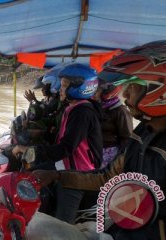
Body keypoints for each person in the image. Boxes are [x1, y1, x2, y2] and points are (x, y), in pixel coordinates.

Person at [32, 40, 166, 240]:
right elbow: (106, 176)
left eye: (134, 86)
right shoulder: (141, 134)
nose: (125, 94)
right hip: (124, 227)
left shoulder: (88, 112)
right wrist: (58, 176)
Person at [13, 63, 103, 223]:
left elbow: (66, 148)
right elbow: (61, 136)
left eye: (64, 86)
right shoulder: (73, 107)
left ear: (79, 88)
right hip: (67, 164)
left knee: (61, 223)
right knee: (30, 175)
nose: (59, 89)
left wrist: (31, 150)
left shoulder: (82, 112)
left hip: (79, 173)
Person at [92, 79, 133, 167]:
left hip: (110, 154)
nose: (94, 93)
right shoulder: (98, 106)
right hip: (96, 149)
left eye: (98, 90)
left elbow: (127, 137)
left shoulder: (121, 111)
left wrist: (121, 159)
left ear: (108, 92)